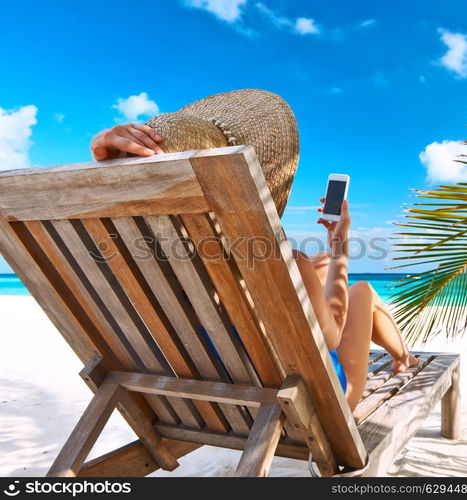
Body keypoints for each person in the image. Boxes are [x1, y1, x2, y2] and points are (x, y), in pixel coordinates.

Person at [89, 89, 418, 412]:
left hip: (214, 408)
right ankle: (404, 359)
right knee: (361, 290)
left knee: (321, 268)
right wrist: (339, 242)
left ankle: (403, 358)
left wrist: (108, 158)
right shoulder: (281, 264)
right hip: (309, 408)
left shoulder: (135, 265)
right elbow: (330, 336)